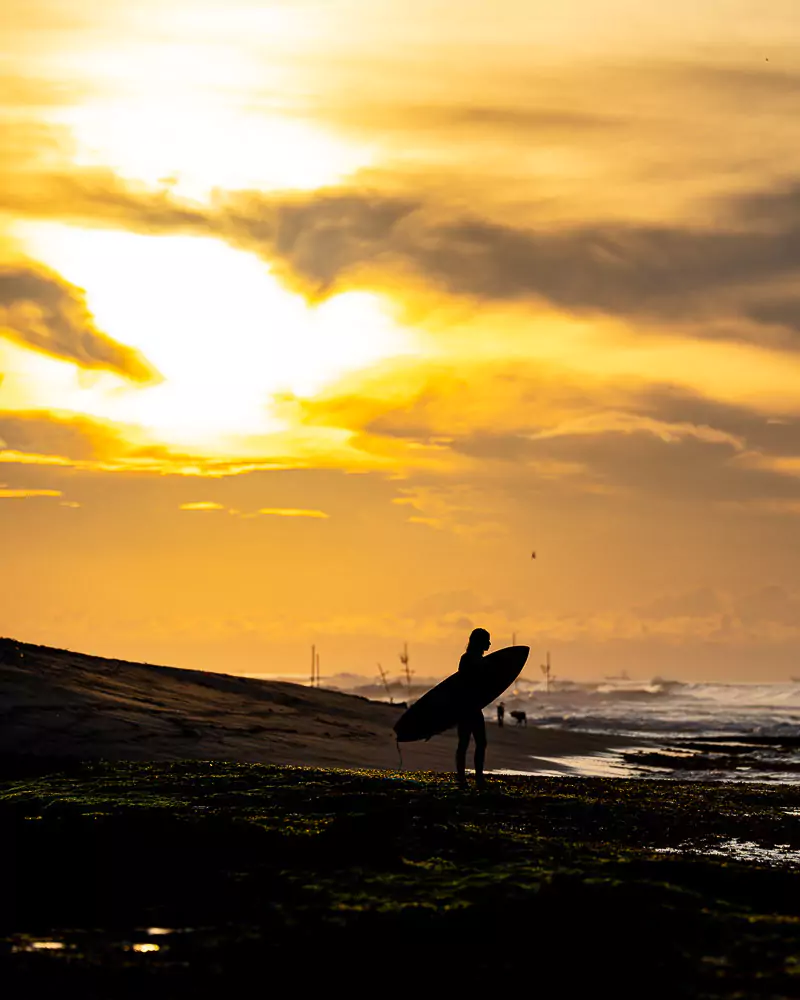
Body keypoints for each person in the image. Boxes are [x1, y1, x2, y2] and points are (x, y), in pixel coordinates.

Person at [456, 627, 491, 788]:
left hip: (474, 706)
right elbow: (462, 683)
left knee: (480, 742)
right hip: (466, 706)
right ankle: (463, 778)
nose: (489, 643)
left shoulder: (479, 660)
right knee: (465, 742)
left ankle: (477, 777)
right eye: (486, 640)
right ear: (479, 642)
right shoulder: (467, 659)